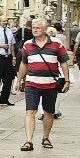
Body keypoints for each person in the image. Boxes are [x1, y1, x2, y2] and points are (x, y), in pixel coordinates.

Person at [14, 18, 70, 151]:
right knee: (30, 111)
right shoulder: (28, 45)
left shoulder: (56, 44)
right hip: (32, 84)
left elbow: (64, 62)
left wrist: (67, 80)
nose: (35, 30)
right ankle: (28, 141)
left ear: (45, 30)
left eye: (38, 28)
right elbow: (24, 63)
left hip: (50, 84)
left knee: (48, 112)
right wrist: (19, 79)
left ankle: (45, 138)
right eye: (33, 27)